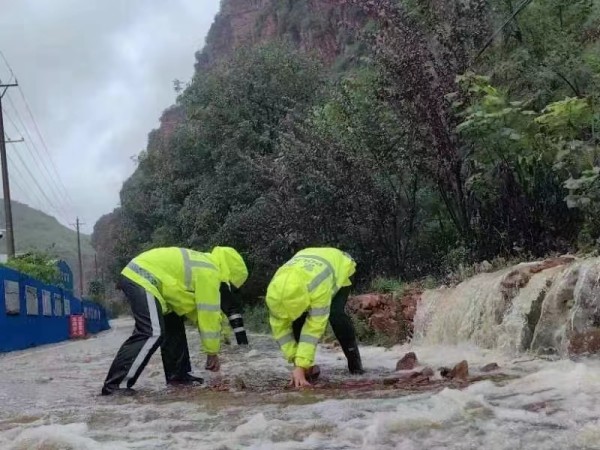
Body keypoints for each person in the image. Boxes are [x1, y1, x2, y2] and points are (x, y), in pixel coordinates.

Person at [101, 246, 248, 396]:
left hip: (153, 282)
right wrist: (212, 352)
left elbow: (197, 312)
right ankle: (115, 386)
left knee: (174, 322)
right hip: (142, 277)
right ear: (229, 277)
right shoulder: (210, 273)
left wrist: (223, 336)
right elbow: (207, 315)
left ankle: (178, 376)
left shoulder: (205, 263)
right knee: (152, 332)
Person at [266, 247, 364, 388]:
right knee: (297, 321)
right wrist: (297, 362)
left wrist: (301, 364)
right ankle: (307, 370)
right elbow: (281, 331)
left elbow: (313, 329)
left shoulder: (318, 287)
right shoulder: (275, 294)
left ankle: (356, 366)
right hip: (307, 261)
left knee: (336, 315)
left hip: (340, 266)